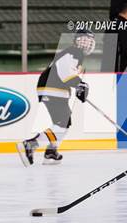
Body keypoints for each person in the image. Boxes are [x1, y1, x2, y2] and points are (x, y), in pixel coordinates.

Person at [16, 30, 95, 166]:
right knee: (62, 123)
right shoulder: (73, 52)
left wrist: (78, 86)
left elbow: (66, 75)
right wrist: (79, 84)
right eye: (83, 39)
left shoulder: (74, 53)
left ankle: (51, 152)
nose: (86, 43)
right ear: (76, 40)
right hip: (52, 89)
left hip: (53, 89)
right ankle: (31, 144)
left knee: (63, 123)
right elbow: (65, 73)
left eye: (89, 41)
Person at [101, 2, 127, 72]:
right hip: (122, 68)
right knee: (125, 83)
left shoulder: (111, 24)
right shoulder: (125, 26)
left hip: (108, 67)